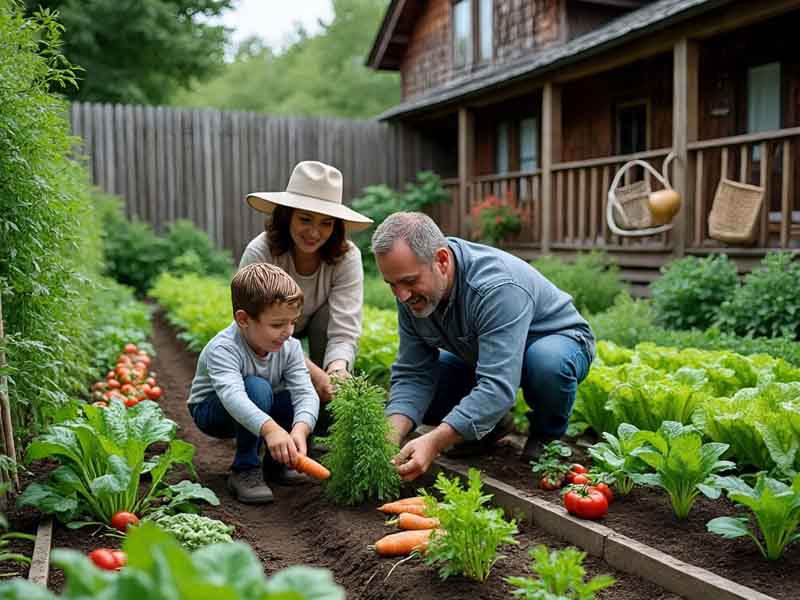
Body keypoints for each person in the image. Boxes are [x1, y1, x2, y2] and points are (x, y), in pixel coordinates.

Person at [371, 212, 595, 481]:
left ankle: (547, 439)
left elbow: (497, 385)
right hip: (484, 355)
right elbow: (413, 373)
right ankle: (490, 427)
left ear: (441, 261)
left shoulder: (495, 286)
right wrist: (389, 436)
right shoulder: (410, 294)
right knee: (433, 391)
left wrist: (435, 441)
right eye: (392, 284)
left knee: (546, 363)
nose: (401, 295)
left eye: (409, 281)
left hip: (556, 341)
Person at [240, 161, 373, 425]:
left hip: (317, 325)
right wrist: (312, 373)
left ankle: (320, 420)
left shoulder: (347, 258)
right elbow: (253, 327)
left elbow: (344, 329)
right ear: (287, 215)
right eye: (305, 219)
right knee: (267, 384)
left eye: (326, 223)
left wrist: (336, 370)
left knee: (327, 323)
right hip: (266, 329)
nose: (314, 233)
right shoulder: (260, 252)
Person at [187, 262, 320, 504]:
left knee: (289, 397)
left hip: (260, 402)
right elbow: (233, 397)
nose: (288, 332)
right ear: (243, 319)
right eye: (277, 325)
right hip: (213, 411)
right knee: (256, 388)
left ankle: (277, 463)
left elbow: (305, 393)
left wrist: (300, 429)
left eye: (293, 322)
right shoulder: (224, 348)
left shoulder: (290, 347)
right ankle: (245, 468)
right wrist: (271, 430)